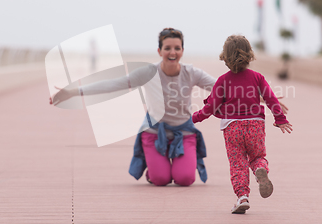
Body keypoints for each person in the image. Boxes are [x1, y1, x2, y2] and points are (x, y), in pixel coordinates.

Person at [51, 28, 215, 186]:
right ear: (159, 51)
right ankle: (153, 169)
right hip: (155, 133)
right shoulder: (148, 72)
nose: (172, 52)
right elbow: (114, 84)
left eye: (177, 48)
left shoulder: (192, 73)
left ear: (182, 50)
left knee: (185, 179)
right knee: (161, 179)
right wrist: (73, 92)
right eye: (167, 48)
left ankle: (177, 164)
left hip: (184, 133)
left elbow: (221, 87)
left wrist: (240, 79)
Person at [191, 35, 293, 214]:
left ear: (225, 57)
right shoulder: (257, 77)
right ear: (249, 55)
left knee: (238, 164)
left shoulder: (222, 81)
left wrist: (193, 118)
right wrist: (280, 119)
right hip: (255, 126)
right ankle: (260, 169)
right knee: (256, 156)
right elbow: (270, 98)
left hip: (232, 128)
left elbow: (210, 108)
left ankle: (242, 197)